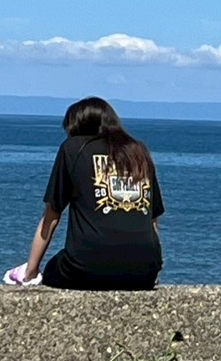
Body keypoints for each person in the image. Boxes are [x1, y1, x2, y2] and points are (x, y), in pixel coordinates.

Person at [13, 96, 164, 290]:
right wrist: (153, 272)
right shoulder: (138, 152)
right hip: (144, 271)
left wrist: (30, 272)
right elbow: (152, 220)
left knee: (54, 267)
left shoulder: (73, 149)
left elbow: (52, 215)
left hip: (86, 268)